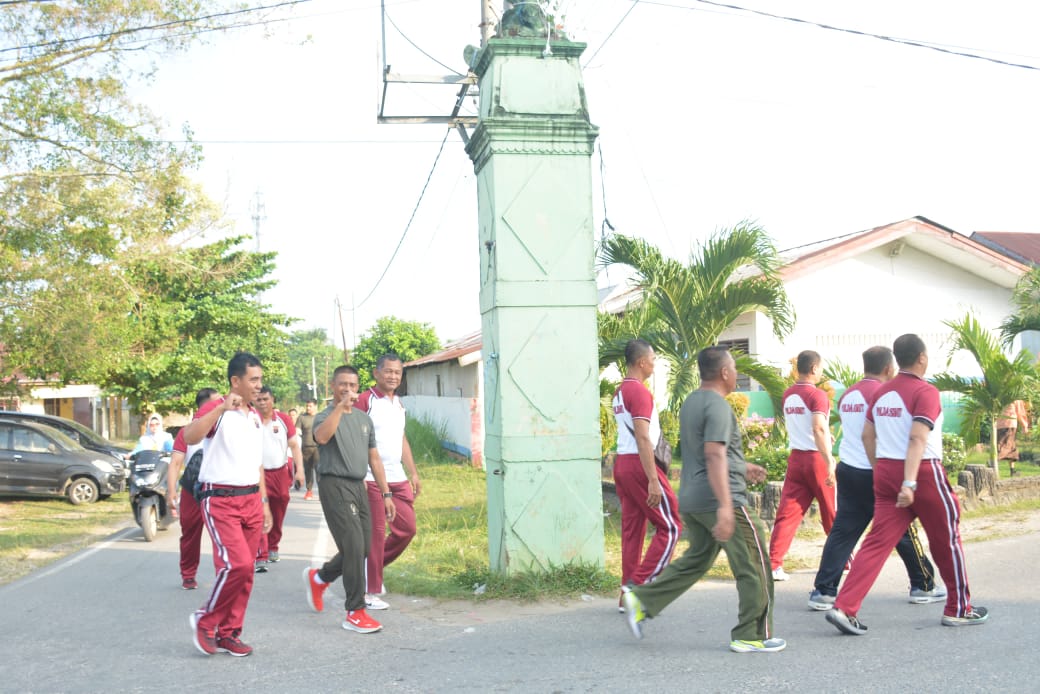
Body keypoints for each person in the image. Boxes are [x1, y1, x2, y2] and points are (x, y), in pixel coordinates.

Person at [621, 346, 783, 653]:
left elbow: (704, 449)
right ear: (724, 373)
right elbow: (712, 453)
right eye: (734, 368)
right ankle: (752, 633)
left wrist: (742, 466)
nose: (736, 374)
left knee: (698, 558)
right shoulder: (719, 406)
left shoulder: (693, 402)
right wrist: (725, 506)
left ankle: (643, 600)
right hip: (722, 499)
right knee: (755, 562)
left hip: (693, 499)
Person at [826, 334, 988, 635]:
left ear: (897, 360)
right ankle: (959, 608)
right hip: (922, 471)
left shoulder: (881, 393)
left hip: (885, 468)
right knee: (946, 538)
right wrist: (909, 482)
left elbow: (867, 437)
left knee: (876, 543)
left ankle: (845, 607)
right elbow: (917, 438)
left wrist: (881, 472)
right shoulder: (925, 392)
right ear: (922, 359)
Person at [808, 346, 944, 611]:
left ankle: (824, 590)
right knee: (901, 529)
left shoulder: (848, 395)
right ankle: (923, 584)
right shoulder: (885, 393)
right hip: (875, 467)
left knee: (843, 531)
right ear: (888, 368)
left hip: (849, 468)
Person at [182, 352, 272, 657]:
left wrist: (264, 503)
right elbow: (189, 434)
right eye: (254, 379)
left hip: (250, 500)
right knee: (238, 564)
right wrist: (221, 406)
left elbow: (257, 464)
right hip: (220, 499)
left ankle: (229, 633)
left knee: (246, 572)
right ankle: (205, 620)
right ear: (236, 381)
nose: (259, 385)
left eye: (260, 379)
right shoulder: (217, 410)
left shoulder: (255, 417)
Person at [304, 365, 396, 634]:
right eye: (342, 384)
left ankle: (321, 577)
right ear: (333, 386)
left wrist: (386, 492)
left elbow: (374, 458)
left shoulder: (364, 419)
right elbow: (321, 437)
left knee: (364, 548)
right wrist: (339, 408)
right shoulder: (324, 416)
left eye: (352, 385)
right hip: (334, 484)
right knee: (354, 545)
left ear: (358, 388)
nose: (348, 389)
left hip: (360, 485)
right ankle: (355, 611)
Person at [611, 339, 681, 611]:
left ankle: (625, 595)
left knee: (633, 532)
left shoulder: (620, 392)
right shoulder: (639, 392)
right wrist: (653, 479)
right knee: (671, 526)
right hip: (640, 464)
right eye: (653, 358)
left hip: (623, 464)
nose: (654, 362)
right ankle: (636, 590)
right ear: (641, 362)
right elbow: (642, 436)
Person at [357, 353, 422, 611]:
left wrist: (413, 472)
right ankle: (370, 591)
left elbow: (401, 439)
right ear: (376, 373)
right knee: (376, 534)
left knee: (407, 529)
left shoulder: (398, 404)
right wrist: (360, 473)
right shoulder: (366, 400)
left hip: (397, 477)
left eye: (397, 372)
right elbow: (354, 436)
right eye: (388, 371)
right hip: (372, 478)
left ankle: (370, 569)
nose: (393, 376)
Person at [769, 350, 837, 581]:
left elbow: (807, 426)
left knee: (788, 513)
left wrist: (826, 437)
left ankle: (774, 564)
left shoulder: (788, 394)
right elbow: (817, 428)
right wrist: (829, 460)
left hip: (796, 458)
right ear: (815, 368)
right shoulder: (817, 395)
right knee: (831, 511)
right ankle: (843, 559)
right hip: (816, 459)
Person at [166, 387, 222, 590]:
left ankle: (223, 575)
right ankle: (188, 574)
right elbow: (175, 463)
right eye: (216, 401)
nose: (221, 404)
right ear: (205, 405)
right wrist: (171, 491)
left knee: (222, 535)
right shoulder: (187, 432)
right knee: (190, 534)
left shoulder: (224, 426)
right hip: (192, 489)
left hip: (217, 488)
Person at [253, 387, 305, 571]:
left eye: (265, 399)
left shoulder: (283, 419)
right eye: (258, 399)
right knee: (260, 511)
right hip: (257, 475)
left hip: (280, 473)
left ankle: (273, 545)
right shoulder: (251, 419)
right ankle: (261, 553)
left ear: (272, 400)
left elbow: (294, 446)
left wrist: (300, 470)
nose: (262, 402)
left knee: (279, 508)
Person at [996, 399, 1029, 477]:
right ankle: (992, 462)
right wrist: (1025, 426)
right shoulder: (1015, 398)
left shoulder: (1002, 395)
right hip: (1009, 425)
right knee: (1005, 447)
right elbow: (1019, 413)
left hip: (999, 425)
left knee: (1012, 448)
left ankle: (1012, 470)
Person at [296, 399, 319, 500]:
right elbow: (297, 431)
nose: (308, 408)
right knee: (308, 470)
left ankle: (322, 492)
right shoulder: (302, 417)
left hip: (319, 448)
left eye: (310, 406)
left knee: (320, 470)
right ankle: (309, 491)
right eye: (307, 406)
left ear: (315, 407)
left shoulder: (320, 417)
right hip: (306, 448)